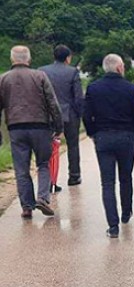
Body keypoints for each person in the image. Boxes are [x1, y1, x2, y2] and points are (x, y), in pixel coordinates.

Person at [83, 54, 134, 238]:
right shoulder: (131, 88)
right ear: (119, 68)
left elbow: (86, 115)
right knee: (126, 177)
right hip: (126, 136)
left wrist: (93, 133)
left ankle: (113, 225)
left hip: (103, 137)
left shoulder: (93, 88)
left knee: (107, 182)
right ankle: (126, 213)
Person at [0, 45, 63, 219]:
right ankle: (42, 198)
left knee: (21, 169)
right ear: (28, 59)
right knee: (43, 164)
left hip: (15, 128)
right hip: (40, 127)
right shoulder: (40, 76)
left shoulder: (3, 79)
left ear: (12, 59)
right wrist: (59, 127)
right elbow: (53, 103)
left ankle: (27, 207)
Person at [40, 44, 84, 188]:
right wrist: (80, 114)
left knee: (48, 148)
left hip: (48, 115)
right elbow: (78, 97)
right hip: (69, 114)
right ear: (68, 58)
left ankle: (50, 180)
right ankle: (74, 176)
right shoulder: (73, 72)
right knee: (73, 146)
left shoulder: (42, 71)